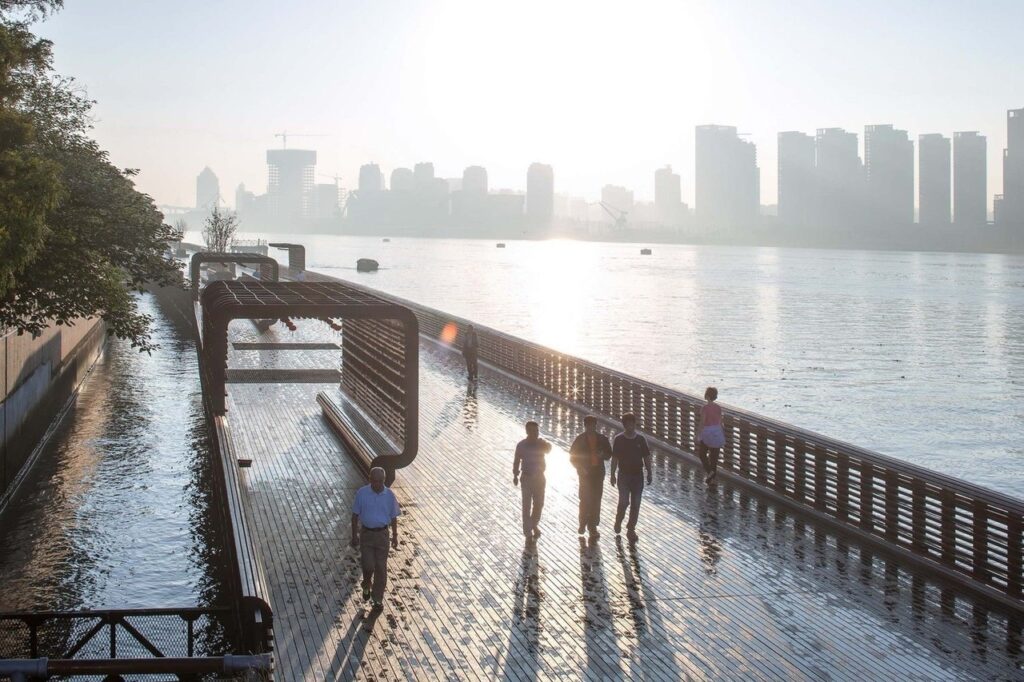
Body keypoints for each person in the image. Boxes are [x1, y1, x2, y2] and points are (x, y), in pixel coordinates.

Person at [350, 467, 400, 610]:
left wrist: (395, 535)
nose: (377, 484)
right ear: (370, 479)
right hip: (366, 535)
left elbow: (394, 516)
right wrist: (355, 536)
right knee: (368, 566)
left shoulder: (390, 495)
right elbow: (354, 516)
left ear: (384, 480)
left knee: (380, 568)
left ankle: (377, 599)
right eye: (374, 481)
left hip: (383, 535)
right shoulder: (362, 493)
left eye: (380, 481)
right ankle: (366, 584)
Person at [610, 413, 652, 540]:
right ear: (624, 425)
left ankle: (631, 529)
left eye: (632, 423)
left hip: (638, 476)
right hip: (623, 475)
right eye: (628, 424)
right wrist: (612, 474)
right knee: (624, 502)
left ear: (635, 424)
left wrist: (649, 472)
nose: (630, 426)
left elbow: (646, 456)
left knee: (636, 503)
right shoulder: (619, 439)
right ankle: (619, 520)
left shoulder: (641, 439)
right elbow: (615, 458)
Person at [569, 415, 612, 539]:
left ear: (595, 425)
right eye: (588, 425)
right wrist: (580, 468)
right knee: (585, 499)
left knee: (596, 499)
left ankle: (592, 526)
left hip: (598, 473)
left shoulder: (602, 439)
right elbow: (572, 457)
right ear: (585, 426)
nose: (590, 427)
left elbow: (609, 454)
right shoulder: (580, 439)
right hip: (585, 474)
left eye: (593, 425)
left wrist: (602, 454)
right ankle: (582, 523)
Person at [513, 421, 552, 540]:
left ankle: (534, 524)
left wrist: (545, 443)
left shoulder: (541, 444)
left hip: (540, 478)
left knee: (539, 504)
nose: (535, 433)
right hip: (527, 478)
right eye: (533, 431)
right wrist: (515, 474)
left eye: (537, 431)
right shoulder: (521, 445)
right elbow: (516, 461)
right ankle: (527, 531)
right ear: (527, 431)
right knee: (526, 506)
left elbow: (549, 449)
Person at [697, 386, 725, 484]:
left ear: (707, 396)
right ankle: (712, 479)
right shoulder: (718, 408)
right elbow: (720, 422)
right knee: (714, 458)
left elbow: (702, 422)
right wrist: (722, 433)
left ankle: (710, 473)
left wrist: (697, 435)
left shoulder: (705, 408)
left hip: (707, 433)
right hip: (717, 432)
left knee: (702, 454)